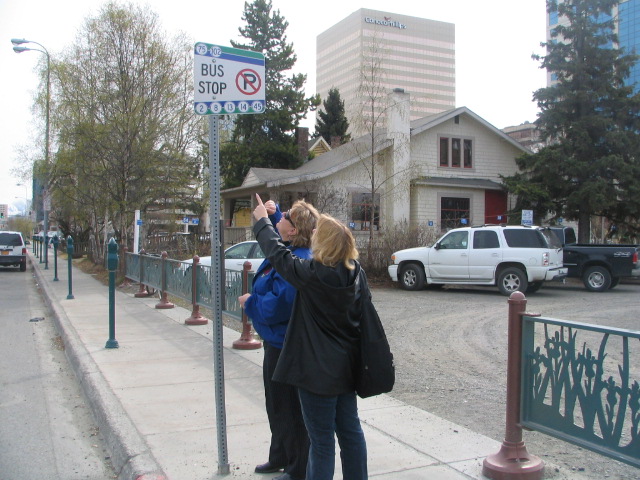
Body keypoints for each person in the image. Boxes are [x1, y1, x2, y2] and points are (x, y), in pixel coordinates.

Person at [251, 193, 368, 480]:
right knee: (351, 432)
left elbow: (278, 255)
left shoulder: (313, 275)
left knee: (321, 440)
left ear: (325, 243)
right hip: (346, 367)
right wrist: (276, 216)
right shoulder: (355, 273)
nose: (312, 233)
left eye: (318, 232)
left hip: (317, 372)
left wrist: (263, 223)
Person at [239, 199, 319, 480]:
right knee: (276, 404)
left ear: (294, 231)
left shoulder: (298, 261)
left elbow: (280, 306)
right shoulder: (291, 249)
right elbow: (280, 238)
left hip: (286, 345)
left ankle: (297, 469)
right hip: (276, 342)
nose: (280, 218)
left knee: (288, 408)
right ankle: (280, 456)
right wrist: (274, 215)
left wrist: (251, 302)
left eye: (285, 216)